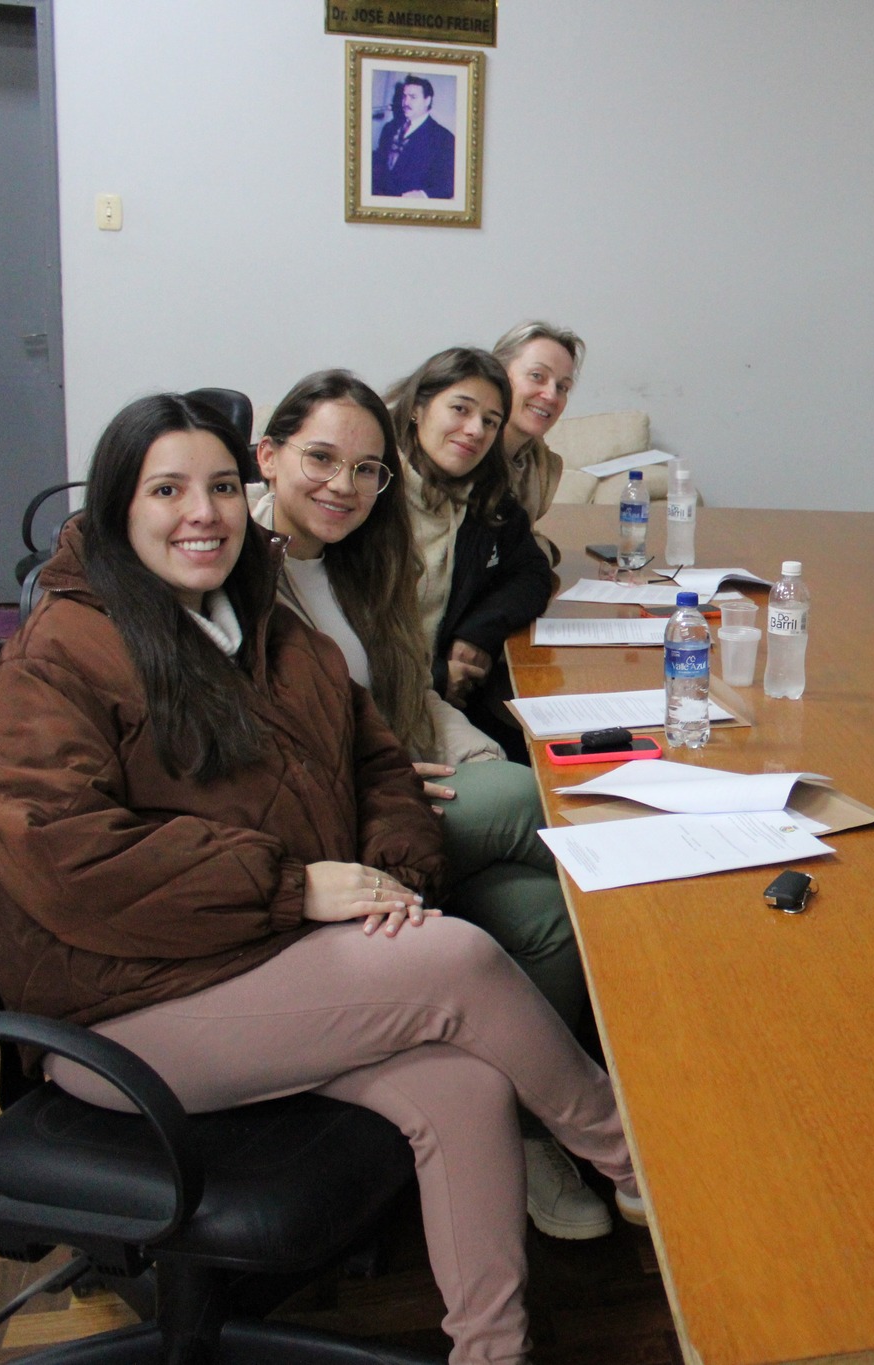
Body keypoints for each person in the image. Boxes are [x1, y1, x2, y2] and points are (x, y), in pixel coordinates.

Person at [0, 393, 640, 1365]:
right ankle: (633, 1159)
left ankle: (492, 1352)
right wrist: (292, 889)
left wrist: (389, 876)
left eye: (219, 487)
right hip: (119, 1005)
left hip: (256, 959)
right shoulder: (62, 653)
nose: (203, 513)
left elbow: (380, 764)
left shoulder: (260, 620)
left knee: (463, 1086)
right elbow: (63, 858)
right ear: (118, 507)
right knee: (456, 958)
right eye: (167, 490)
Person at [251, 370, 607, 1239]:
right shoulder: (243, 573)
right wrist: (383, 776)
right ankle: (639, 1068)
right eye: (321, 460)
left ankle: (525, 1128)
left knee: (543, 912)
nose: (344, 485)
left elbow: (408, 692)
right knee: (532, 797)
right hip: (334, 830)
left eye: (365, 471)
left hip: (397, 790)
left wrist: (461, 753)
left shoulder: (355, 560)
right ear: (268, 457)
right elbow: (263, 752)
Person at [388, 347, 553, 759]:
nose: (475, 430)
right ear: (417, 408)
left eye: (490, 421)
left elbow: (532, 572)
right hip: (384, 700)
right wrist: (436, 674)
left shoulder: (484, 498)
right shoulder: (370, 492)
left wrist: (477, 631)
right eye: (460, 409)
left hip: (438, 699)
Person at [492, 320, 586, 566]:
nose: (551, 395)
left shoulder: (538, 465)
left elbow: (518, 541)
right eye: (537, 376)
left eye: (562, 387)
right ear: (498, 373)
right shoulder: (464, 454)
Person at [371, 73, 457, 200]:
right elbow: (379, 165)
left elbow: (449, 184)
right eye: (404, 96)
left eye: (413, 97)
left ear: (427, 100)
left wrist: (424, 195)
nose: (406, 102)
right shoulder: (389, 128)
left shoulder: (444, 139)